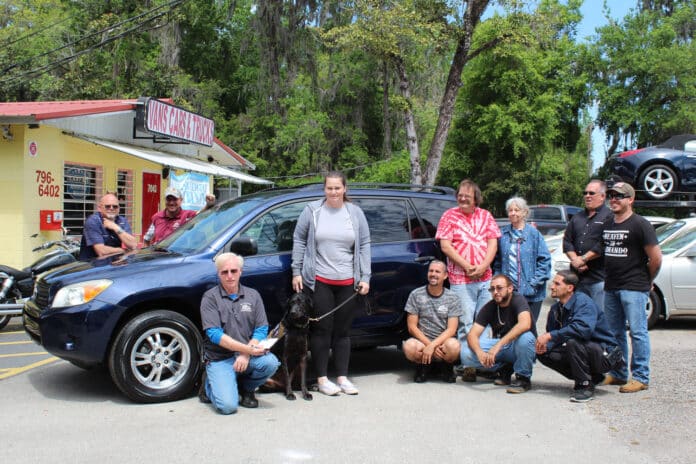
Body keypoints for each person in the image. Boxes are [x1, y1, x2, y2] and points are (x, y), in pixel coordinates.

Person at [291, 171, 371, 396]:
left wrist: (365, 277)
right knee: (321, 330)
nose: (334, 192)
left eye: (338, 188)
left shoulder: (355, 213)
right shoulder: (312, 211)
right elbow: (298, 239)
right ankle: (323, 378)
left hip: (348, 281)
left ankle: (343, 377)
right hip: (319, 281)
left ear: (345, 189)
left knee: (343, 332)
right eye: (329, 188)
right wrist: (296, 270)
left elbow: (364, 244)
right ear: (324, 189)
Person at [199, 252, 280, 414]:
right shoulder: (210, 298)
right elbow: (215, 335)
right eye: (224, 272)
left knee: (270, 363)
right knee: (228, 407)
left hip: (246, 355)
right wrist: (247, 350)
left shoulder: (253, 295)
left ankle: (246, 389)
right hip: (220, 358)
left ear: (241, 272)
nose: (229, 276)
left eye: (234, 271)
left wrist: (246, 354)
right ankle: (208, 385)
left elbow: (261, 329)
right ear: (218, 274)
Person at [600, 182, 662, 393]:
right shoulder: (609, 222)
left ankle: (641, 376)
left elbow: (656, 258)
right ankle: (618, 373)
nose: (614, 199)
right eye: (611, 195)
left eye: (619, 196)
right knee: (614, 333)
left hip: (634, 287)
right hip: (611, 286)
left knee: (637, 332)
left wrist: (647, 279)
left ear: (630, 199)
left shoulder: (640, 224)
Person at [536, 270, 623, 403]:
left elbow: (583, 330)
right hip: (585, 350)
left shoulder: (583, 303)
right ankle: (593, 377)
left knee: (573, 342)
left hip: (606, 354)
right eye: (553, 283)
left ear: (570, 288)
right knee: (545, 352)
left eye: (557, 284)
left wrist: (550, 336)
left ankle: (585, 385)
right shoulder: (555, 309)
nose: (552, 286)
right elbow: (554, 338)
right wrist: (543, 346)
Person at [436, 179, 501, 339]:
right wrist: (467, 266)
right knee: (465, 322)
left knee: (484, 321)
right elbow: (445, 246)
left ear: (476, 198)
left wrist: (484, 266)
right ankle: (467, 362)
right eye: (460, 195)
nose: (463, 198)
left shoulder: (486, 215)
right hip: (460, 280)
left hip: (485, 278)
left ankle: (482, 360)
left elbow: (493, 243)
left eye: (467, 196)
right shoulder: (449, 216)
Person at [459, 274, 536, 394]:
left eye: (499, 288)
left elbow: (525, 324)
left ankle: (523, 378)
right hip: (502, 347)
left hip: (518, 345)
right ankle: (503, 368)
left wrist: (497, 346)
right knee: (465, 352)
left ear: (510, 289)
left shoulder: (518, 299)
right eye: (492, 289)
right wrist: (479, 353)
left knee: (526, 338)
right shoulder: (490, 306)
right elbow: (472, 334)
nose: (495, 292)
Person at [402, 260, 462, 383]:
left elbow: (452, 329)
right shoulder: (416, 294)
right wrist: (428, 345)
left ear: (445, 276)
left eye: (437, 271)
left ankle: (446, 368)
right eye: (431, 271)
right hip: (423, 343)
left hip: (443, 343)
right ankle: (422, 367)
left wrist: (433, 346)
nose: (433, 274)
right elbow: (412, 327)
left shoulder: (453, 297)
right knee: (409, 347)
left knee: (454, 346)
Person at [493, 196, 551, 323]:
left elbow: (545, 260)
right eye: (510, 210)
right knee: (509, 328)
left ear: (525, 212)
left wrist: (533, 283)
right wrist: (499, 282)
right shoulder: (502, 234)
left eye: (517, 210)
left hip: (532, 293)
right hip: (508, 293)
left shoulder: (534, 234)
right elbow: (497, 261)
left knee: (528, 330)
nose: (513, 213)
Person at [563, 179, 612, 309]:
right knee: (580, 319)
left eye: (591, 193)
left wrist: (584, 259)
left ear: (602, 196)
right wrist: (576, 260)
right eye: (585, 193)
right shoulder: (577, 217)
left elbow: (604, 243)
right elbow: (567, 241)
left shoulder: (610, 217)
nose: (587, 196)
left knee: (600, 320)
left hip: (599, 279)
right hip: (577, 279)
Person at [143, 187, 216, 246]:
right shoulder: (157, 217)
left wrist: (208, 205)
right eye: (169, 199)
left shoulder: (187, 215)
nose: (171, 203)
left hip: (177, 258)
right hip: (159, 257)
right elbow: (147, 238)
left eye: (175, 199)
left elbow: (201, 215)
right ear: (165, 200)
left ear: (181, 200)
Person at [79, 192, 137, 260]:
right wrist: (123, 251)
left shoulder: (122, 221)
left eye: (115, 206)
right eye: (107, 206)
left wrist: (115, 227)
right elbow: (101, 251)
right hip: (92, 266)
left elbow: (133, 245)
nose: (111, 208)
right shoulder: (93, 221)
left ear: (119, 209)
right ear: (99, 208)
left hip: (113, 264)